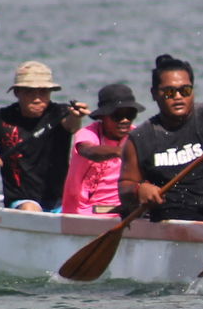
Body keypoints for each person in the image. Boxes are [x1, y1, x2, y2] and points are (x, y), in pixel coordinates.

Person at [119, 53, 203, 222]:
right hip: (168, 222)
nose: (178, 97)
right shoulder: (139, 138)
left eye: (185, 90)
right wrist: (138, 189)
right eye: (169, 92)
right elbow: (124, 186)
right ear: (154, 94)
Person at [0, 60, 88, 211]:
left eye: (43, 92)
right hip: (22, 201)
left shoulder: (62, 113)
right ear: (17, 93)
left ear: (50, 93)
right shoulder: (0, 119)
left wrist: (77, 116)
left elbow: (71, 125)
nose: (37, 98)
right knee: (30, 208)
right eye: (29, 92)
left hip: (61, 200)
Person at [61, 82, 144, 216]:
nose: (124, 120)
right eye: (117, 115)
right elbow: (89, 151)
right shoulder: (87, 134)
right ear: (102, 117)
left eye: (129, 115)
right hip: (84, 213)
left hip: (125, 212)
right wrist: (120, 152)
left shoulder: (138, 137)